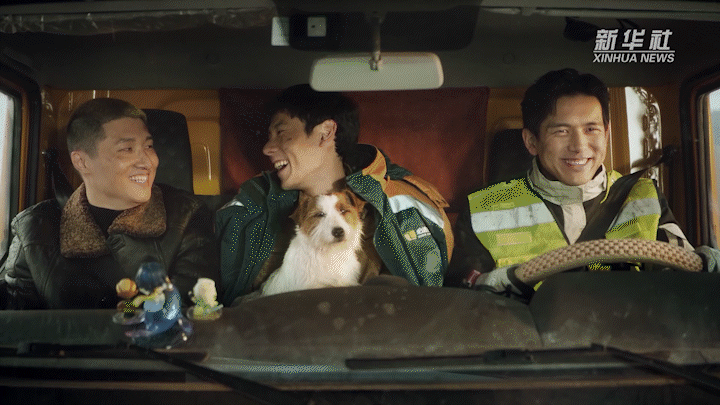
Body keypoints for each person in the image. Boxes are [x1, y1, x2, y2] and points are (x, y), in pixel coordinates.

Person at [446, 68, 695, 301]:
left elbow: (684, 283)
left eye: (591, 129)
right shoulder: (484, 209)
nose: (578, 146)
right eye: (561, 131)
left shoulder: (643, 197)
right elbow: (466, 306)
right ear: (531, 141)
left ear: (606, 134)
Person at [216, 84, 454, 305]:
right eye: (269, 136)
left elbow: (425, 301)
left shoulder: (399, 203)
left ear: (325, 132)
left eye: (281, 132)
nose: (267, 148)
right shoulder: (254, 202)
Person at [1, 98, 219, 309]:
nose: (148, 161)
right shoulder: (35, 227)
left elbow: (189, 310)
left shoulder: (187, 215)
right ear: (82, 161)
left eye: (149, 146)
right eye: (127, 149)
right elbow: (16, 318)